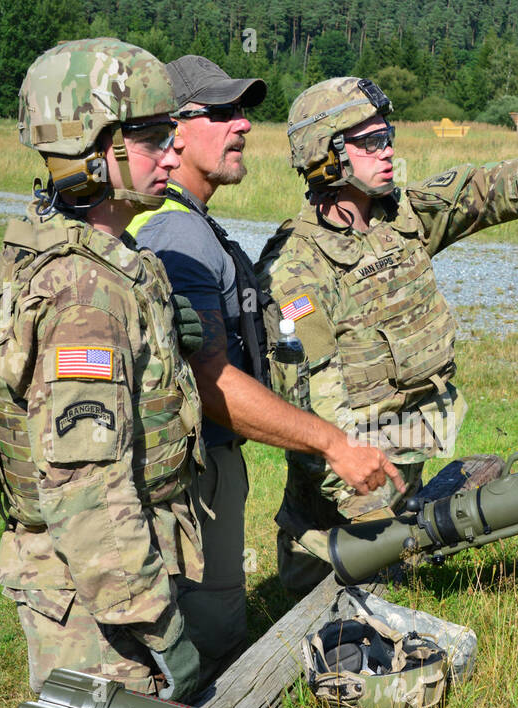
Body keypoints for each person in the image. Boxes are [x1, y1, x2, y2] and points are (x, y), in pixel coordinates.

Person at [256, 76, 518, 593]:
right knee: (321, 618)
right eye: (369, 141)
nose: (387, 150)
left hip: (404, 462)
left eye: (387, 134)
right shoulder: (296, 269)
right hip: (341, 505)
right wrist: (368, 512)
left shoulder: (401, 218)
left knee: (393, 589)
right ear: (327, 157)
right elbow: (312, 406)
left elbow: (481, 190)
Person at [127, 56, 401, 653]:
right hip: (197, 471)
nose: (243, 124)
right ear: (174, 127)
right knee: (211, 642)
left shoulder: (190, 223)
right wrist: (333, 443)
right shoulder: (179, 235)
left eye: (244, 111)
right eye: (223, 112)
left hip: (210, 464)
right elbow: (211, 384)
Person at [0, 38, 213, 701]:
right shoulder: (84, 293)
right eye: (153, 137)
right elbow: (86, 490)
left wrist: (160, 342)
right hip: (100, 602)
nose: (174, 152)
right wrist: (159, 627)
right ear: (92, 154)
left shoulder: (93, 256)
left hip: (105, 580)